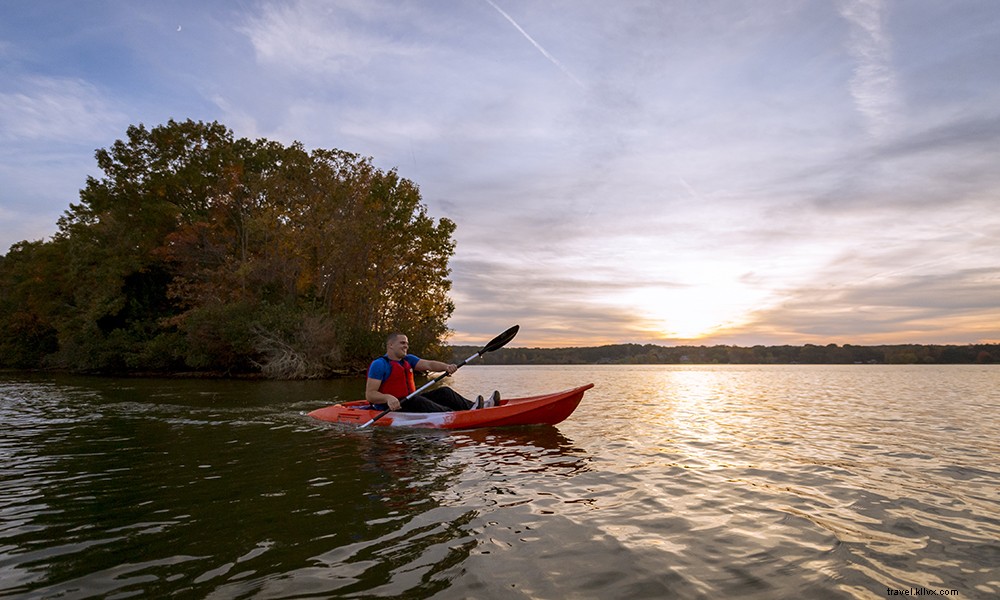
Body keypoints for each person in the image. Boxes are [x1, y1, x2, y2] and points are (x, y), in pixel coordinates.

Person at [366, 332, 500, 413]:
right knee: (416, 400)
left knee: (444, 392)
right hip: (389, 407)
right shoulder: (379, 364)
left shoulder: (408, 360)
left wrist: (446, 367)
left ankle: (476, 407)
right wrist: (388, 398)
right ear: (390, 345)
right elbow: (370, 395)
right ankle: (454, 415)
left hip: (409, 401)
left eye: (407, 343)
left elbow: (429, 364)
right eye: (402, 343)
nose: (406, 346)